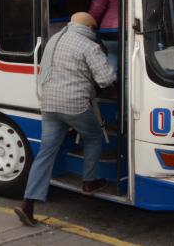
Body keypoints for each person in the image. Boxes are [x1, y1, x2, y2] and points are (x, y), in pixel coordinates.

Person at [14, 12, 116, 226]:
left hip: (49, 103)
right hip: (74, 105)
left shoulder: (54, 38)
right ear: (90, 29)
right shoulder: (89, 46)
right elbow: (106, 80)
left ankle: (27, 203)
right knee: (94, 136)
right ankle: (89, 181)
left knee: (45, 153)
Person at [89, 0, 119, 72]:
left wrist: (90, 22)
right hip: (127, 29)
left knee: (112, 55)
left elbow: (97, 6)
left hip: (107, 31)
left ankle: (110, 83)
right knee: (129, 63)